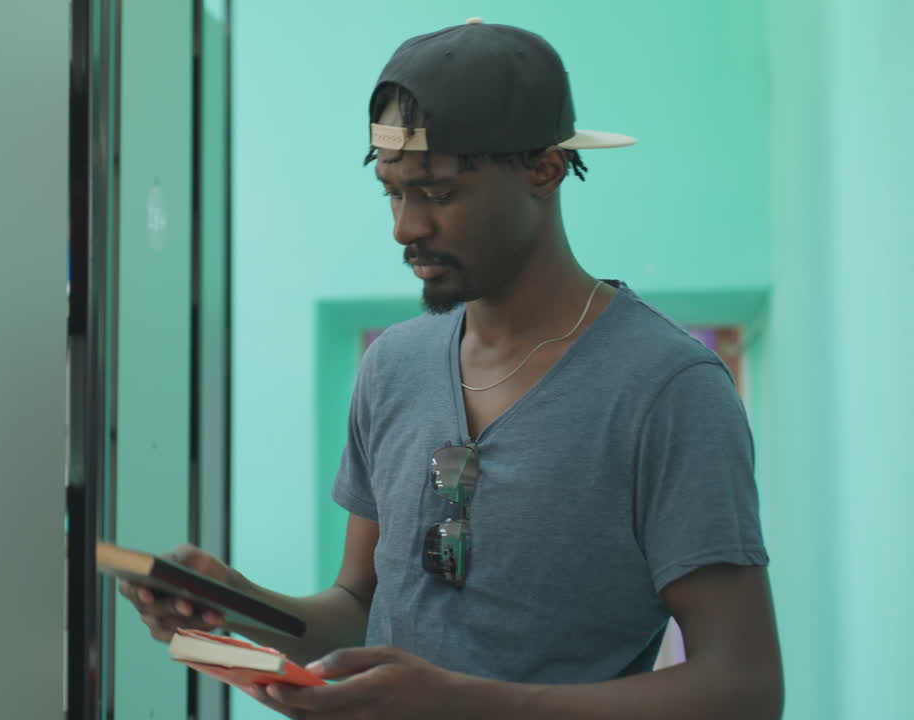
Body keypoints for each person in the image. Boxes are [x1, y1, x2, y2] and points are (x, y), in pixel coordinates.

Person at [121, 19, 783, 720]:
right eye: (392, 192)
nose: (406, 227)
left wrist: (468, 704)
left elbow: (741, 687)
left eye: (437, 194)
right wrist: (236, 603)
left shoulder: (667, 389)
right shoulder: (393, 365)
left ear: (545, 170)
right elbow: (362, 607)